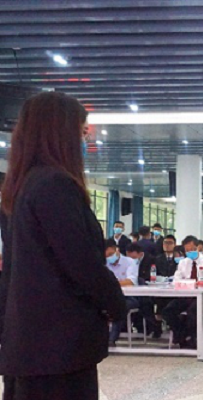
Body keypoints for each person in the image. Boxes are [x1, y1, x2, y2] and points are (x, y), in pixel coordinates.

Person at [0, 92, 126, 400]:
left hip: (29, 342)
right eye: (82, 133)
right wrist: (115, 303)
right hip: (59, 344)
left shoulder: (21, 186)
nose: (86, 142)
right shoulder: (55, 185)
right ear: (61, 134)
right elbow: (81, 263)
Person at [163, 236, 203, 348]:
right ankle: (182, 336)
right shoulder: (183, 263)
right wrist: (186, 283)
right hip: (185, 295)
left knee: (193, 312)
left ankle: (192, 339)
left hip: (202, 297)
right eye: (187, 250)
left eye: (192, 249)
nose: (189, 252)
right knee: (168, 311)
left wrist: (201, 283)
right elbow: (176, 280)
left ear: (198, 248)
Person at [154, 235, 180, 321]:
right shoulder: (157, 258)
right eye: (165, 243)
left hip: (175, 290)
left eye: (170, 243)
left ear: (175, 245)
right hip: (161, 288)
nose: (167, 245)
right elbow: (154, 274)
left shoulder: (179, 259)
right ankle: (158, 322)